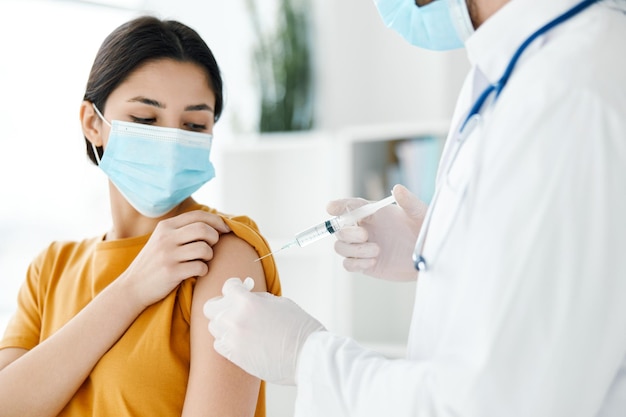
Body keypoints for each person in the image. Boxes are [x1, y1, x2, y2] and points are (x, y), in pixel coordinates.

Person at [203, 0, 626, 415]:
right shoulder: (515, 65)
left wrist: (305, 355)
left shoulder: (569, 94)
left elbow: (489, 402)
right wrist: (438, 249)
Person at [0, 15, 281, 417]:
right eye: (145, 120)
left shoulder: (221, 252)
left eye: (194, 124)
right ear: (92, 123)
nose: (170, 141)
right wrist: (131, 289)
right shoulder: (50, 269)